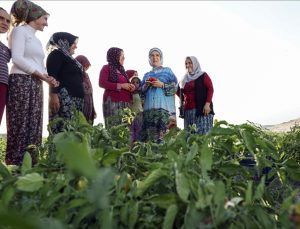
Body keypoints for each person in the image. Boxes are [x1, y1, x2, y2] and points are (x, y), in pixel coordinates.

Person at [6, 0, 58, 165]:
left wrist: (48, 77)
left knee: (34, 126)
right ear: (34, 16)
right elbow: (17, 58)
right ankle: (15, 167)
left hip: (36, 83)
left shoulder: (37, 40)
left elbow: (39, 65)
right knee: (20, 125)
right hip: (20, 81)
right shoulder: (20, 31)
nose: (46, 23)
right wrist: (41, 75)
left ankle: (31, 166)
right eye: (44, 19)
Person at [46, 32, 84, 134]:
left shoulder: (70, 59)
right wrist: (53, 95)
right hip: (64, 98)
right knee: (64, 131)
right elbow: (52, 76)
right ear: (64, 42)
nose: (76, 46)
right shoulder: (56, 55)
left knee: (74, 131)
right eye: (73, 43)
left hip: (76, 99)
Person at [141, 47, 178, 143]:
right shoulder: (146, 75)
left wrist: (162, 85)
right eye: (152, 56)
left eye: (157, 55)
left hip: (164, 110)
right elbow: (140, 93)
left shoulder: (167, 71)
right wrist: (145, 86)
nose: (154, 58)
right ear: (149, 58)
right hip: (149, 111)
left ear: (161, 57)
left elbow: (176, 88)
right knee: (150, 140)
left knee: (165, 139)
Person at [177, 56, 214, 134]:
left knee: (202, 136)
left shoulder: (203, 75)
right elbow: (179, 92)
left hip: (202, 110)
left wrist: (207, 104)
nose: (188, 65)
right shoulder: (184, 79)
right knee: (189, 137)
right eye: (186, 64)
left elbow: (210, 89)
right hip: (188, 112)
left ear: (195, 63)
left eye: (190, 63)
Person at [99, 47, 134, 129]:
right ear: (115, 56)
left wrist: (130, 87)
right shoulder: (106, 68)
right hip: (113, 103)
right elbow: (102, 83)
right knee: (114, 129)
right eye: (122, 55)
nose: (124, 57)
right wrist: (121, 86)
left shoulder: (122, 70)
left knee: (126, 130)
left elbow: (125, 85)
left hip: (125, 105)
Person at [75, 55, 96, 125]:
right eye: (84, 66)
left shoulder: (86, 76)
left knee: (88, 128)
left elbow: (91, 93)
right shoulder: (75, 75)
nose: (86, 68)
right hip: (80, 104)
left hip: (89, 103)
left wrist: (93, 109)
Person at [126, 70, 143, 145]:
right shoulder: (127, 94)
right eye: (133, 82)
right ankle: (130, 150)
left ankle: (138, 149)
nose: (135, 84)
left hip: (139, 115)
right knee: (130, 133)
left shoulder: (141, 94)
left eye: (137, 82)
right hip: (130, 116)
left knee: (139, 133)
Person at [0, 7, 11, 126]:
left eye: (8, 21)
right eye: (1, 18)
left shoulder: (4, 48)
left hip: (3, 86)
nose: (5, 23)